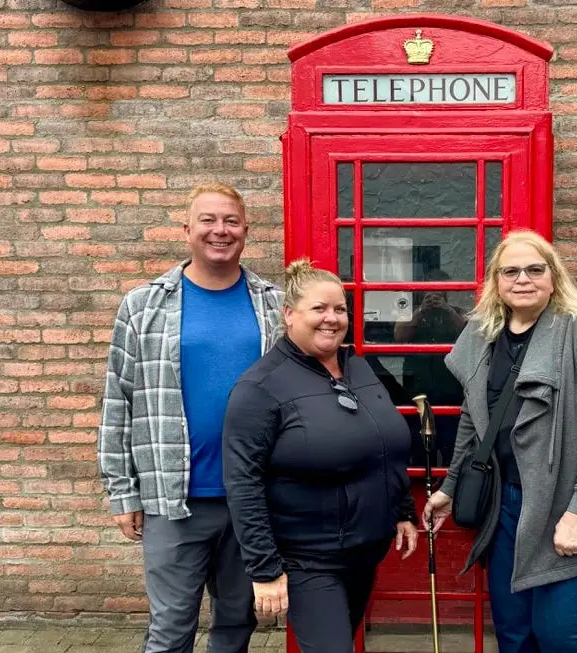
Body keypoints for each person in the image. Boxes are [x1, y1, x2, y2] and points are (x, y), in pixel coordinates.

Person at [422, 230, 577, 653]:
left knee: (560, 634)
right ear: (496, 281)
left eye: (535, 269)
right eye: (510, 271)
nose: (523, 279)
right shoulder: (484, 332)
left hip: (559, 502)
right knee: (513, 632)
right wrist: (449, 487)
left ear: (553, 276)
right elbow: (472, 419)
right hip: (502, 504)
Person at [98, 182, 283, 652]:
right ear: (187, 229)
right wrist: (122, 492)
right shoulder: (144, 304)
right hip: (171, 499)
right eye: (208, 220)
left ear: (246, 230)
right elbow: (118, 399)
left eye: (231, 221)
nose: (220, 231)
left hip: (253, 497)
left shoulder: (275, 304)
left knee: (236, 625)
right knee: (170, 628)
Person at [222, 259, 419, 653]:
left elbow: (384, 448)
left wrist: (402, 511)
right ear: (290, 315)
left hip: (364, 552)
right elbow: (243, 483)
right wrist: (265, 571)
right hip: (307, 558)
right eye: (319, 309)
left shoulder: (360, 368)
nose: (331, 319)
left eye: (340, 309)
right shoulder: (261, 387)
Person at [394, 268, 468, 466]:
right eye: (430, 290)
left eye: (439, 290)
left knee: (451, 444)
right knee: (419, 445)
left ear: (447, 292)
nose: (434, 295)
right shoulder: (413, 313)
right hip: (417, 388)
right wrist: (420, 311)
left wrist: (446, 309)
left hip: (450, 389)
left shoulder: (456, 312)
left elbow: (467, 334)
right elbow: (399, 337)